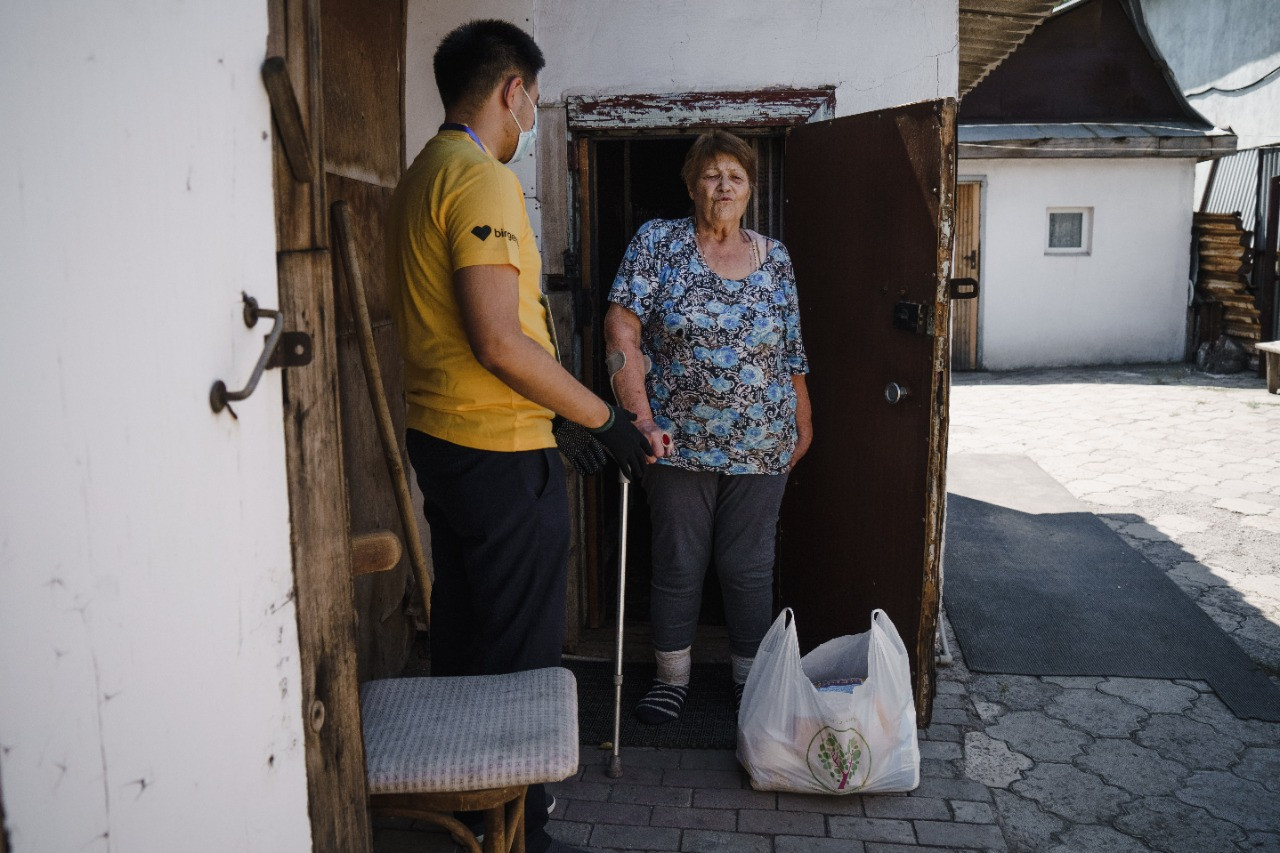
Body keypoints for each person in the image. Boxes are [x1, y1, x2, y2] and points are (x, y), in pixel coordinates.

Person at [385, 19, 650, 853]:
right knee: (518, 669)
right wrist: (603, 419)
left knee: (468, 646)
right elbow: (500, 340)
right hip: (498, 459)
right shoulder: (480, 177)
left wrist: (557, 417)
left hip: (450, 447)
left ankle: (468, 826)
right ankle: (518, 836)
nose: (534, 110)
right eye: (533, 95)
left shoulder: (419, 174)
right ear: (513, 90)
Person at [604, 129, 812, 725]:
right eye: (712, 174)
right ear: (692, 184)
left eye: (737, 176)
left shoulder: (776, 258)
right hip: (675, 440)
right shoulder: (658, 244)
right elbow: (622, 336)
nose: (724, 186)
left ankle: (752, 685)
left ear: (751, 188)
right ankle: (672, 679)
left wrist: (804, 414)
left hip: (761, 440)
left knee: (748, 565)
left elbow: (791, 347)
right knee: (677, 561)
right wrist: (639, 419)